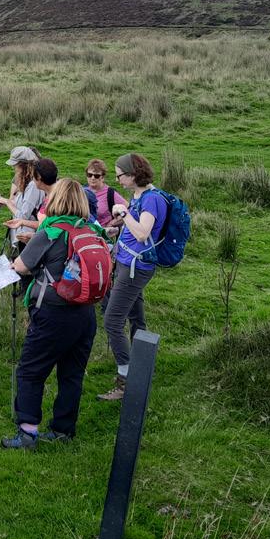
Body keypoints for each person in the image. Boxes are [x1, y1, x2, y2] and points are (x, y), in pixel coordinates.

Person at [0, 178, 98, 449]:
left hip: (54, 313)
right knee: (72, 373)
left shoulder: (51, 231)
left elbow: (21, 266)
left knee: (31, 370)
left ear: (55, 200)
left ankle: (27, 433)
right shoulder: (90, 230)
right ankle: (63, 430)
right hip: (85, 313)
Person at [98, 153, 168, 402]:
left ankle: (126, 379)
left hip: (135, 269)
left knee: (112, 321)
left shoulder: (152, 199)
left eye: (120, 175)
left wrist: (124, 213)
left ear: (133, 174)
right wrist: (116, 228)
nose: (117, 180)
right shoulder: (139, 195)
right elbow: (133, 227)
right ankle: (141, 365)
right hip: (126, 264)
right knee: (136, 318)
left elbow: (142, 233)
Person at [0, 146, 43, 252]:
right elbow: (22, 204)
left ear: (24, 166)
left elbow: (23, 216)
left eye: (15, 165)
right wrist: (4, 201)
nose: (14, 168)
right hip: (24, 234)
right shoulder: (27, 181)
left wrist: (8, 202)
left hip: (30, 236)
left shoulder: (33, 186)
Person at [85, 158, 125, 238]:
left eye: (96, 176)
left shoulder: (110, 193)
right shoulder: (82, 191)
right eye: (89, 175)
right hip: (84, 235)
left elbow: (129, 210)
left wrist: (112, 223)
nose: (92, 178)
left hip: (103, 237)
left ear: (102, 177)